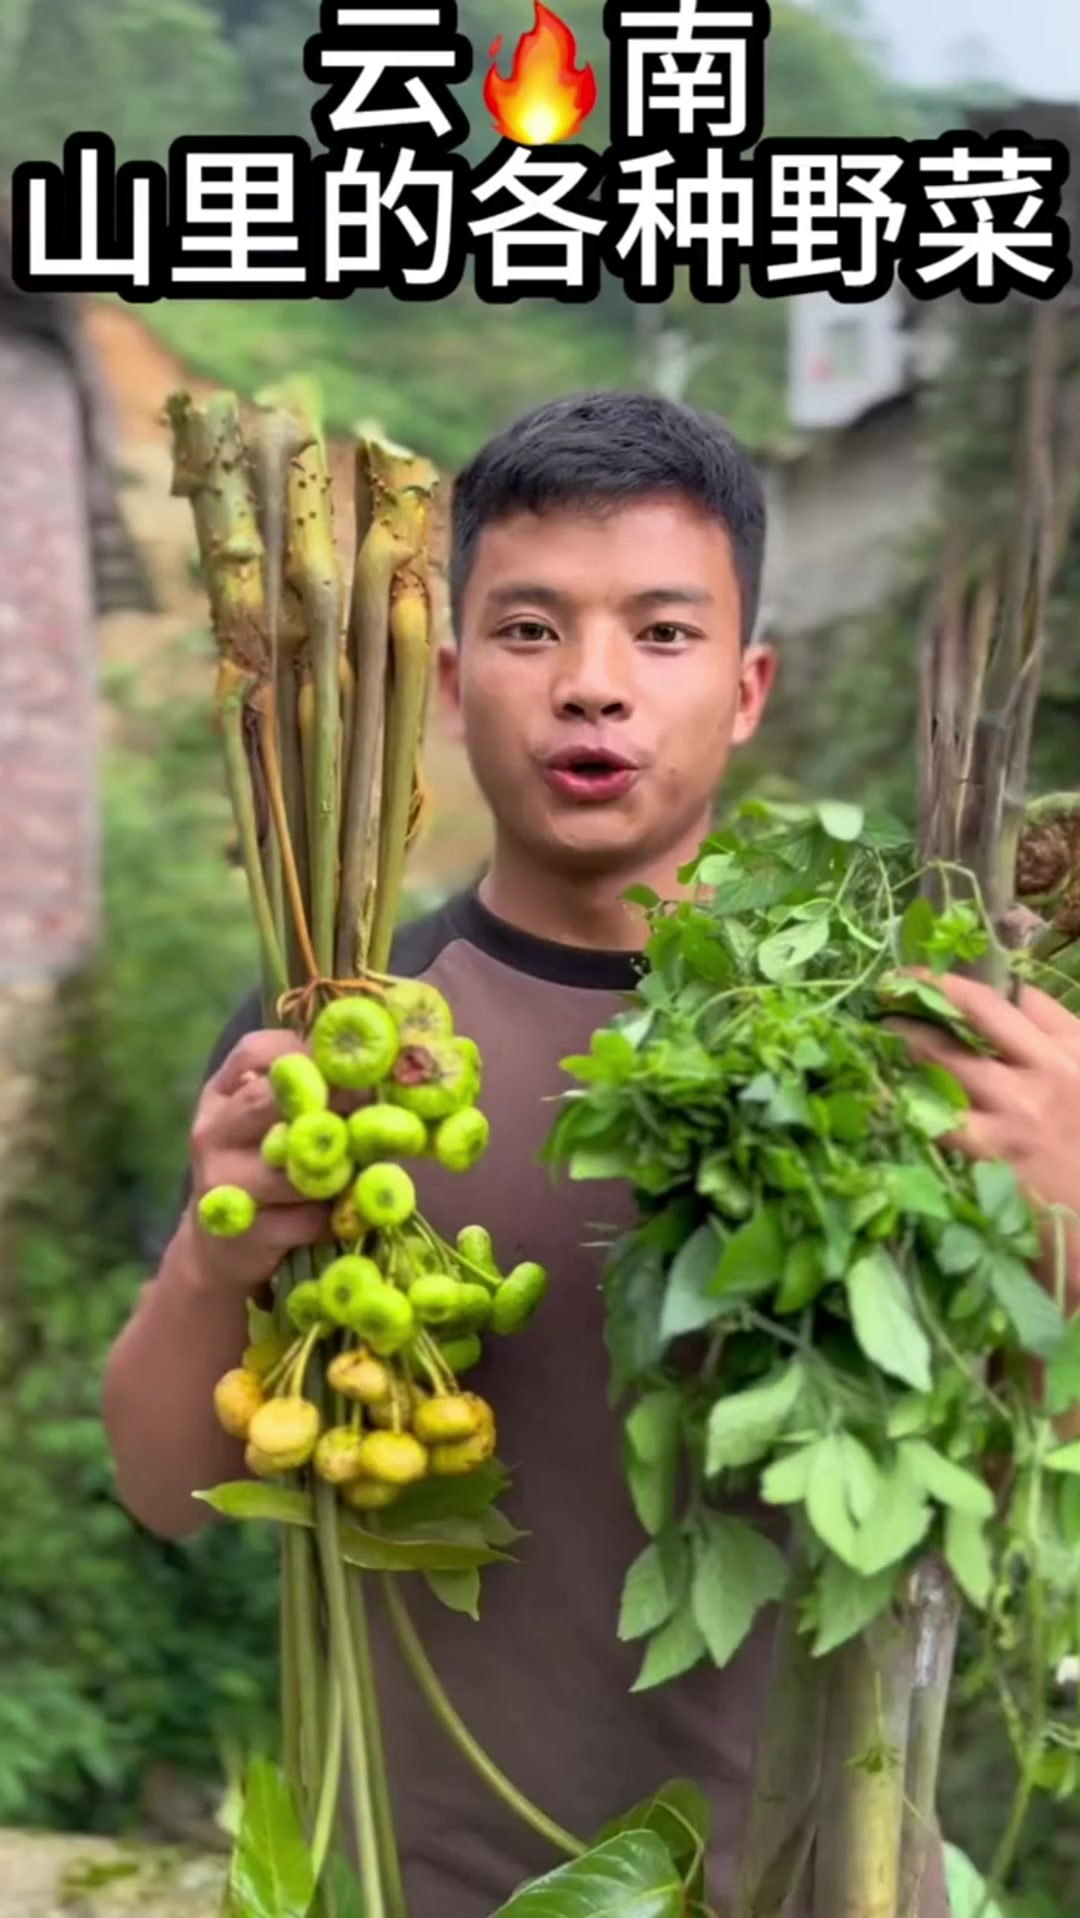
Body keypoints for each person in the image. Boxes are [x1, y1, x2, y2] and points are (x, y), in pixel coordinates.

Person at [103, 390, 1080, 1917]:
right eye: (532, 629)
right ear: (446, 677)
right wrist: (217, 1254)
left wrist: (1068, 1222)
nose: (594, 688)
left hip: (814, 1888)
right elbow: (169, 1484)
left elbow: (1030, 1459)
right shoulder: (337, 1038)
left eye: (664, 634)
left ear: (749, 687)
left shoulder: (893, 1051)